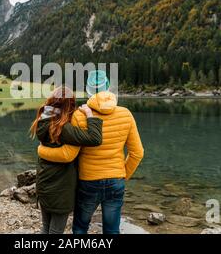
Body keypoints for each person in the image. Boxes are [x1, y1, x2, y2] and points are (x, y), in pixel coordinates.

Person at [38, 71, 144, 234]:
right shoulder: (126, 114)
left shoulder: (79, 116)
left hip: (88, 181)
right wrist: (123, 174)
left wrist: (41, 150)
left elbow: (68, 154)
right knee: (112, 230)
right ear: (108, 88)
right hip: (116, 180)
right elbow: (137, 153)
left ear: (88, 91)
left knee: (80, 228)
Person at [31, 86, 103, 234]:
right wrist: (90, 115)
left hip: (44, 183)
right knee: (56, 231)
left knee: (45, 226)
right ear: (69, 105)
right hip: (60, 190)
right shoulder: (62, 129)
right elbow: (95, 138)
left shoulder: (44, 119)